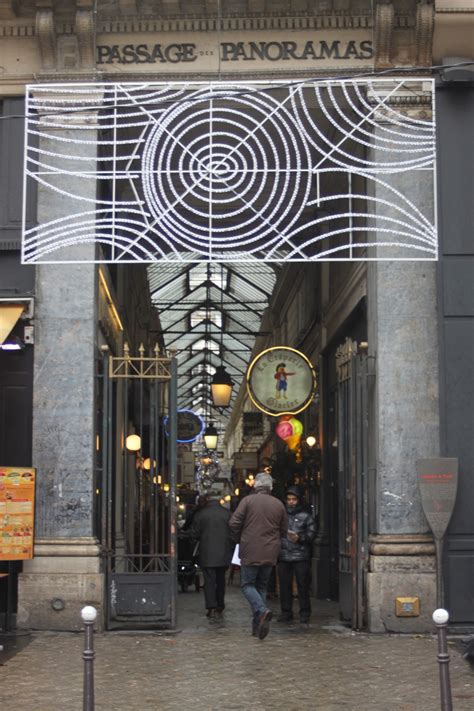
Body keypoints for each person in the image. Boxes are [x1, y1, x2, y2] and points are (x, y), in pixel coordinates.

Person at [229, 472, 287, 640]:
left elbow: (233, 523)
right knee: (261, 586)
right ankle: (258, 627)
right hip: (270, 551)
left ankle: (261, 611)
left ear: (255, 485)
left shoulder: (247, 501)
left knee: (247, 585)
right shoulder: (278, 504)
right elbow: (284, 530)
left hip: (250, 549)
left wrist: (240, 537)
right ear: (271, 487)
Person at [277, 485, 317, 626]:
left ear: (299, 500)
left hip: (301, 555)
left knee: (302, 586)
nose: (291, 502)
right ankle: (286, 612)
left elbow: (312, 533)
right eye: (289, 499)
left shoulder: (306, 516)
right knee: (284, 586)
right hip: (283, 555)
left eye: (294, 499)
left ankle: (304, 613)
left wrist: (300, 538)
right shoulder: (281, 515)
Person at [190, 493, 233, 619]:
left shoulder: (201, 514)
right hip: (224, 552)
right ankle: (220, 604)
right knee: (221, 580)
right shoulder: (227, 514)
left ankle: (211, 606)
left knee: (209, 581)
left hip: (207, 552)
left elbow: (194, 533)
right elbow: (234, 531)